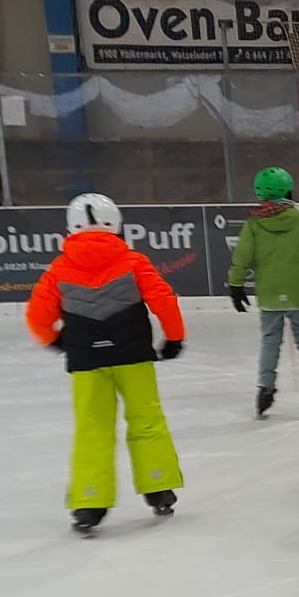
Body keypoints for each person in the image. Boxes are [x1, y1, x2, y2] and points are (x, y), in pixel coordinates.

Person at [24, 192, 186, 534]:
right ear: (116, 225)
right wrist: (173, 337)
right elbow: (164, 299)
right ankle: (158, 486)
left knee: (92, 429)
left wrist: (53, 340)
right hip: (133, 356)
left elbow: (37, 315)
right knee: (146, 421)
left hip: (87, 361)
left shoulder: (59, 270)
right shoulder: (134, 262)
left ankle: (90, 502)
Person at [228, 165, 299, 417]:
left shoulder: (254, 224)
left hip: (270, 292)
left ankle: (265, 389)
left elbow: (242, 255)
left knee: (270, 341)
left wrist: (236, 284)